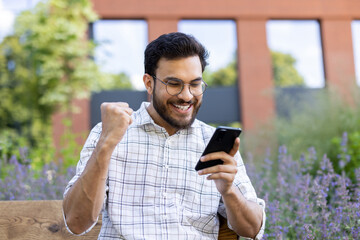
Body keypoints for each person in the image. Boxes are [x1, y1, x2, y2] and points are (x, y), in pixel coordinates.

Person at [62, 32, 265, 240]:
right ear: (149, 83)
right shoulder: (110, 132)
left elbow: (252, 229)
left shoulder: (211, 142)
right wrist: (106, 144)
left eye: (195, 84)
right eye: (174, 84)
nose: (186, 96)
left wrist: (229, 191)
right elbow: (76, 222)